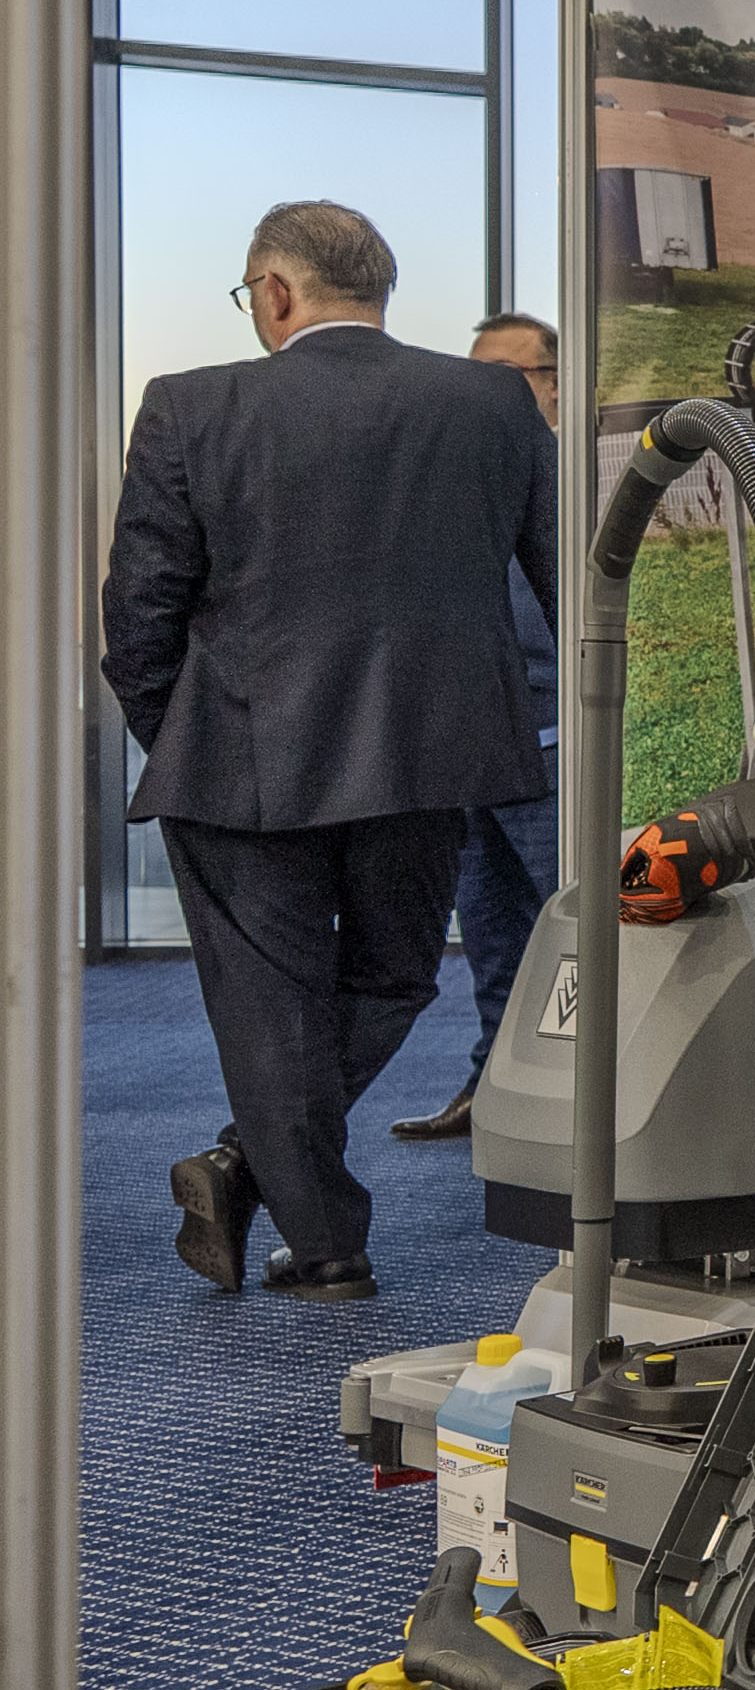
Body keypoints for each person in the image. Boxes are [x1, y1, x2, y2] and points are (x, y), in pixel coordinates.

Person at [102, 202, 557, 1302]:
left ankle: (314, 1234)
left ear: (274, 291)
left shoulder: (191, 405)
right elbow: (565, 580)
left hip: (239, 764)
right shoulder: (492, 402)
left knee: (271, 1008)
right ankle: (286, 1199)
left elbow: (139, 617)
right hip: (429, 760)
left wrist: (193, 736)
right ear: (378, 289)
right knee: (397, 977)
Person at [395, 311, 567, 1142]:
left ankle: (581, 1105)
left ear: (555, 386)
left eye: (507, 376)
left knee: (576, 934)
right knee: (493, 941)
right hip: (472, 749)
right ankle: (492, 1089)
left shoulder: (580, 482)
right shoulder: (460, 488)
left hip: (554, 748)